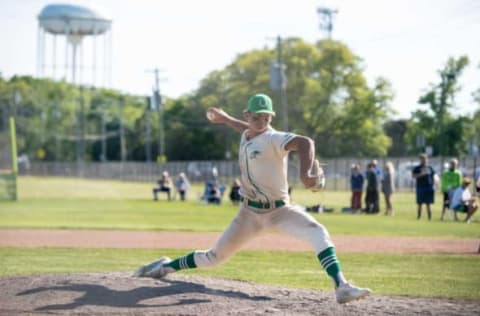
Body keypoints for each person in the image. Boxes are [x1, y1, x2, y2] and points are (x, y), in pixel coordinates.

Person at [134, 93, 371, 304]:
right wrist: (225, 119)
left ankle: (341, 286)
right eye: (256, 117)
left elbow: (305, 142)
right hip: (248, 214)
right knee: (213, 257)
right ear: (248, 115)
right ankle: (165, 267)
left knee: (318, 232)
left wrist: (306, 174)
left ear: (271, 118)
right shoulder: (248, 133)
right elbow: (244, 128)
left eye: (266, 118)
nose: (262, 122)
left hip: (280, 212)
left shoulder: (273, 138)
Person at [412, 154, 436, 220]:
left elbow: (434, 176)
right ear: (420, 160)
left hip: (429, 187)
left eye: (425, 159)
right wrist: (421, 174)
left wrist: (434, 183)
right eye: (422, 159)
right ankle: (419, 216)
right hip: (420, 187)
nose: (424, 160)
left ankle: (429, 217)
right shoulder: (417, 168)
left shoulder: (430, 168)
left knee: (428, 203)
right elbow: (414, 176)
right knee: (419, 203)